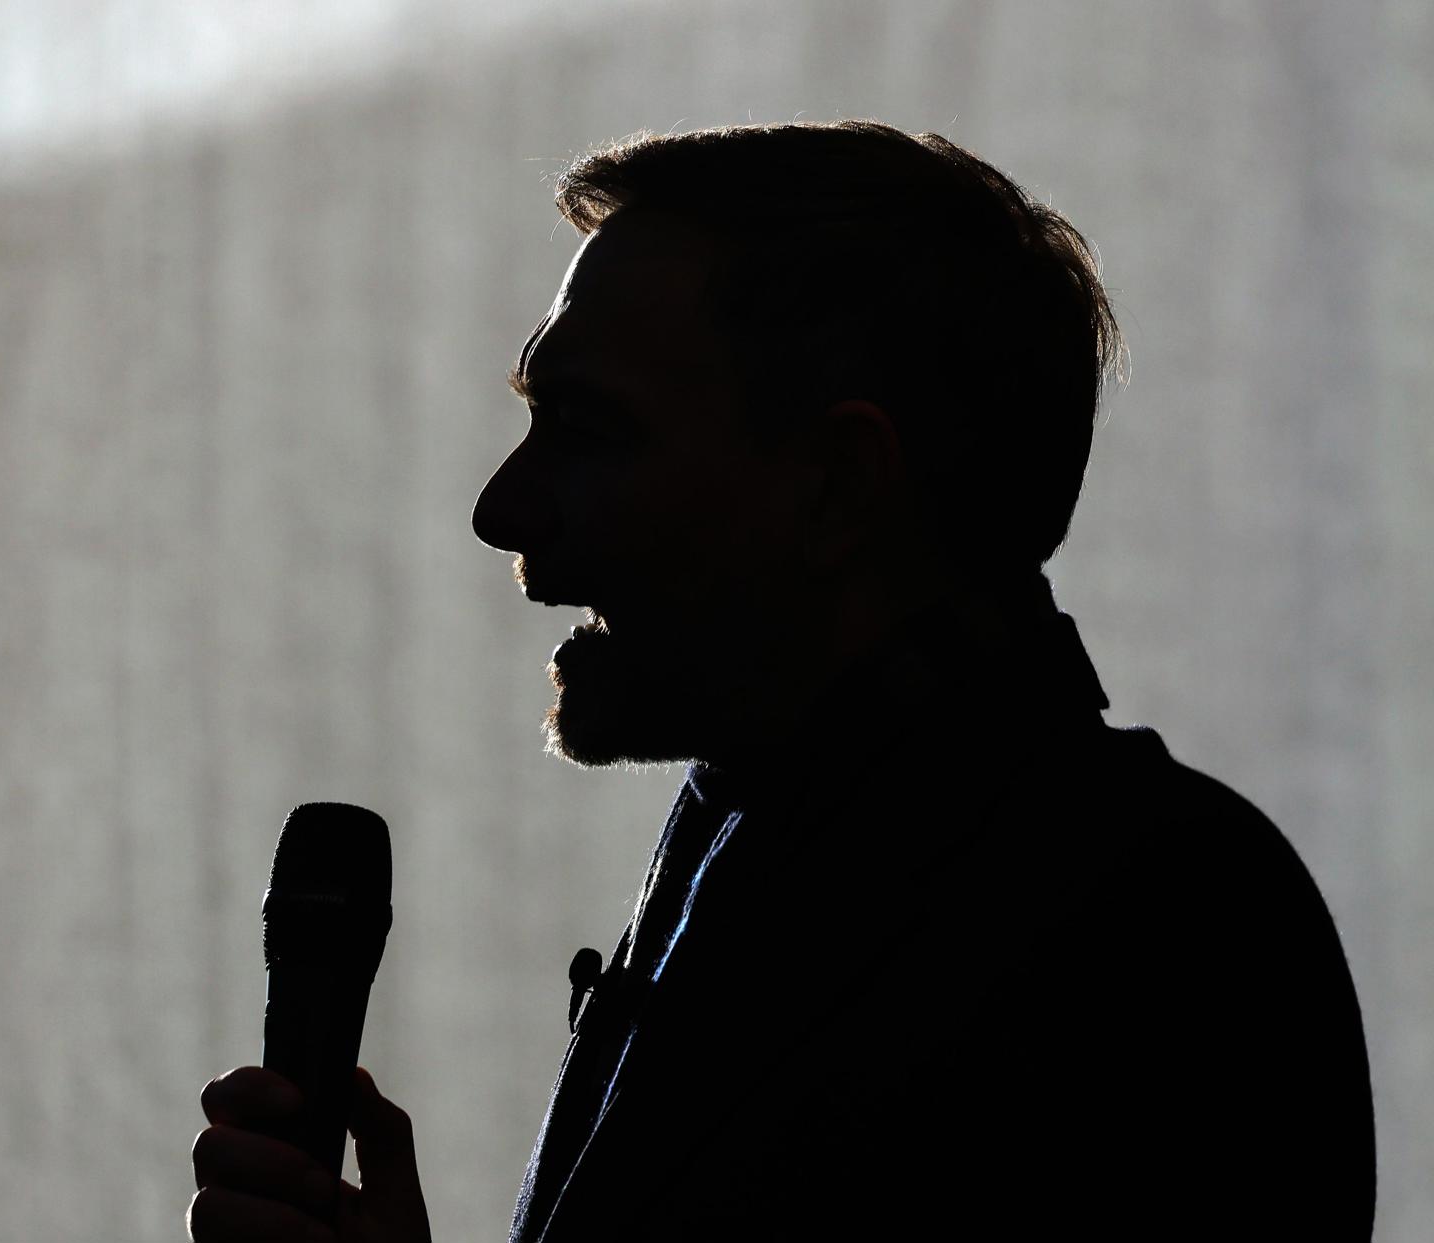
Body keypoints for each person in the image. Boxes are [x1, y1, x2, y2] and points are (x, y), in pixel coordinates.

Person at [188, 120, 1375, 1241]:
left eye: (591, 429)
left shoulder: (1161, 942)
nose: (502, 508)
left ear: (838, 484)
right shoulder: (782, 850)